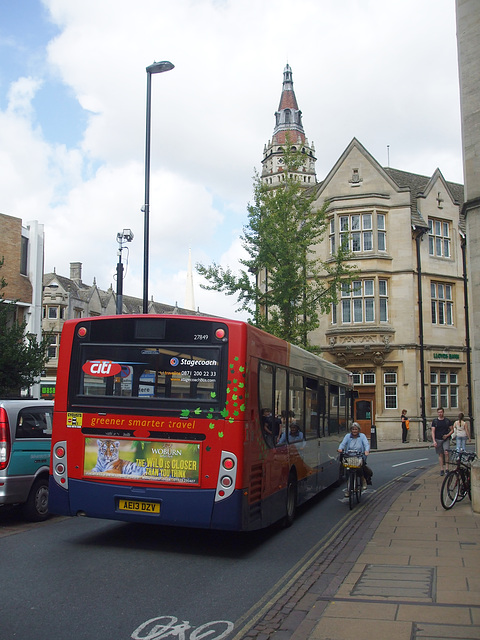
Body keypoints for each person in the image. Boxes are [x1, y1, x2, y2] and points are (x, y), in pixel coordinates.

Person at [337, 422, 371, 493]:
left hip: (359, 455)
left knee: (359, 468)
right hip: (349, 456)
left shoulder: (362, 436)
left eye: (356, 429)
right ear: (351, 430)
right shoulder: (347, 436)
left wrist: (366, 451)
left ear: (358, 430)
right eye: (353, 429)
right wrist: (340, 449)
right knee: (347, 471)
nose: (354, 431)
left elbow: (366, 444)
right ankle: (348, 489)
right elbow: (343, 444)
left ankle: (363, 479)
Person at [431, 407, 453, 476]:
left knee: (446, 453)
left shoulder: (447, 421)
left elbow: (452, 430)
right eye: (439, 412)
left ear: (443, 412)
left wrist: (447, 435)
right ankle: (441, 469)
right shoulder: (435, 421)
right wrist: (434, 441)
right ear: (437, 413)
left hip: (445, 439)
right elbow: (433, 431)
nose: (440, 413)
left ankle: (447, 468)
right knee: (440, 454)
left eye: (441, 412)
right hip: (438, 439)